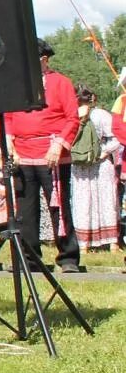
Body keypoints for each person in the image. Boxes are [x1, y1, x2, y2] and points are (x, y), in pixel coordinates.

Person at [4, 39, 85, 273]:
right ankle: (29, 258)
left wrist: (59, 145)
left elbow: (72, 118)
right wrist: (9, 141)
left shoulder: (61, 83)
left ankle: (68, 257)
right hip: (23, 154)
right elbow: (8, 116)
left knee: (59, 206)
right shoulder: (17, 84)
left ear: (44, 60)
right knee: (26, 208)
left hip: (52, 154)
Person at [68, 85, 121, 253]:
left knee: (82, 202)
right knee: (106, 201)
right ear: (93, 98)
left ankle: (83, 245)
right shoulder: (102, 115)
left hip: (79, 164)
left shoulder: (71, 115)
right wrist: (104, 152)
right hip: (101, 164)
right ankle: (112, 243)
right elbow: (115, 139)